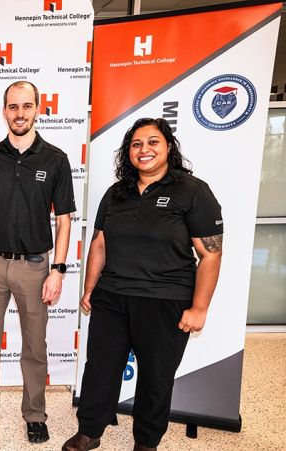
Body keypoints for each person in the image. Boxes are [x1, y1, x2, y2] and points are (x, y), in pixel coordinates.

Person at [62, 118, 223, 451]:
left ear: (168, 147)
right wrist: (90, 288)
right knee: (100, 369)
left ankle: (147, 442)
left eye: (153, 142)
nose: (144, 149)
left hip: (166, 299)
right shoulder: (116, 193)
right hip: (113, 296)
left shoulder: (192, 191)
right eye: (136, 144)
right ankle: (90, 431)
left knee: (155, 376)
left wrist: (199, 308)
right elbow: (99, 243)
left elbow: (210, 253)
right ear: (128, 152)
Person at [0, 81, 76, 444]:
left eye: (27, 106)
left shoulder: (55, 159)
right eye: (13, 107)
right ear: (4, 112)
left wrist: (58, 270)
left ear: (38, 110)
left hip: (35, 267)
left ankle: (35, 414)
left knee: (34, 347)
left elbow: (64, 221)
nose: (20, 113)